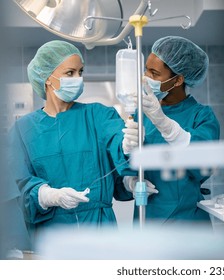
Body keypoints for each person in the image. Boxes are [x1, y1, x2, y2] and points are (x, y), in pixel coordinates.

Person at [8, 40, 154, 242]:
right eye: (70, 73)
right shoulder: (23, 129)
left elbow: (118, 142)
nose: (78, 78)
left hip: (101, 233)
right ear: (48, 79)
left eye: (81, 72)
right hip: (50, 238)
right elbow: (15, 185)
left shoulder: (99, 115)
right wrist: (47, 195)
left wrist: (128, 145)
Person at [122, 36, 220, 225]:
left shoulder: (202, 116)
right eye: (145, 70)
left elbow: (204, 163)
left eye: (154, 73)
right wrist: (129, 181)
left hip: (187, 222)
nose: (146, 78)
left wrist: (165, 124)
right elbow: (123, 165)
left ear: (178, 80)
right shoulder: (139, 113)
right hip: (147, 220)